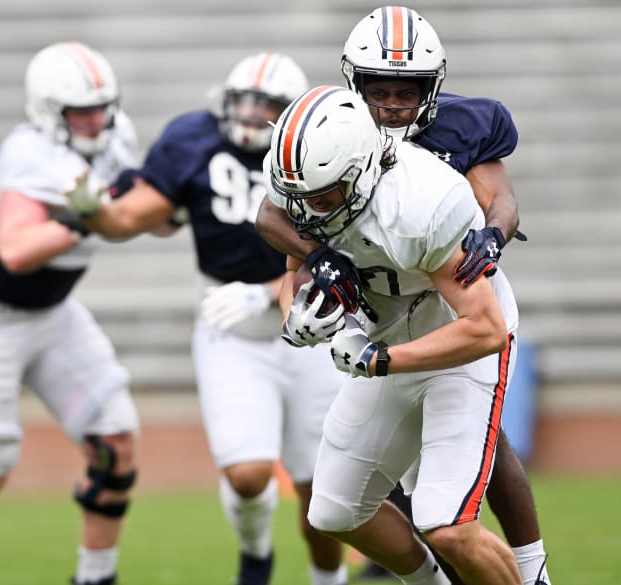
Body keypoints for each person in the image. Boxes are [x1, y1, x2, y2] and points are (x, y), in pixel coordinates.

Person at [256, 7, 550, 585]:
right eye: (378, 91)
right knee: (334, 510)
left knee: (447, 522)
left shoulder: (424, 201)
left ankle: (532, 573)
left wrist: (379, 359)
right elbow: (282, 227)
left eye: (405, 92)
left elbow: (485, 327)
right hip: (390, 327)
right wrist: (300, 313)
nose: (391, 105)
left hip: (458, 334)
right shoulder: (319, 157)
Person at [67, 52, 348, 585]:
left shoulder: (326, 152)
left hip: (313, 326)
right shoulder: (193, 141)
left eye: (266, 107)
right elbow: (130, 217)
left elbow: (346, 254)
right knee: (246, 475)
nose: (249, 115)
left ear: (291, 117)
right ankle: (255, 553)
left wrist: (270, 291)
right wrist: (92, 209)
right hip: (231, 328)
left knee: (323, 491)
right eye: (244, 103)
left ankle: (327, 579)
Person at [0, 41, 140, 585]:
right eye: (81, 111)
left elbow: (141, 211)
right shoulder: (29, 154)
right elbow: (12, 249)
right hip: (1, 312)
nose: (95, 120)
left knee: (115, 438)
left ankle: (95, 578)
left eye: (101, 107)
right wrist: (81, 220)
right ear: (47, 110)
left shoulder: (114, 136)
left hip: (53, 311)